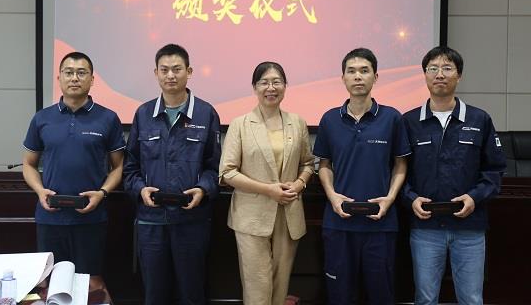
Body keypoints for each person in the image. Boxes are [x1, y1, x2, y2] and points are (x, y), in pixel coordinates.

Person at [402, 46, 506, 305]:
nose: (440, 74)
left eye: (447, 68)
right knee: (425, 298)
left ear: (459, 75)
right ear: (425, 75)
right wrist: (411, 198)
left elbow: (494, 170)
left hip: (469, 228)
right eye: (433, 69)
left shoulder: (479, 119)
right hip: (425, 228)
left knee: (471, 298)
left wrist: (474, 197)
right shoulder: (409, 122)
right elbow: (397, 172)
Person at [123, 43, 221, 305]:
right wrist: (140, 189)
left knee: (192, 293)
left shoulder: (206, 113)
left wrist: (203, 189)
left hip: (192, 221)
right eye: (164, 70)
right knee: (155, 294)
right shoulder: (144, 114)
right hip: (151, 222)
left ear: (189, 71)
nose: (170, 75)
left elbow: (215, 167)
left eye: (177, 69)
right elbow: (130, 167)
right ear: (155, 73)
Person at [313, 48, 410, 305]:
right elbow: (324, 164)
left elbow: (400, 164)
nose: (358, 76)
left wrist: (389, 199)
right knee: (340, 296)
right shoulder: (330, 119)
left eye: (364, 71)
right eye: (352, 71)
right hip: (339, 223)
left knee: (381, 295)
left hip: (380, 224)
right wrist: (332, 196)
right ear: (343, 78)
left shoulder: (392, 118)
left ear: (375, 77)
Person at [219, 62, 315, 305]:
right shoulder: (240, 124)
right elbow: (227, 173)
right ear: (255, 87)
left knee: (280, 287)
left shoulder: (297, 122)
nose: (271, 88)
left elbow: (307, 163)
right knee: (257, 286)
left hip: (288, 214)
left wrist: (299, 184)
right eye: (264, 82)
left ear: (285, 86)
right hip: (252, 216)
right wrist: (268, 190)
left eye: (276, 82)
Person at [22, 51, 125, 275]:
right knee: (50, 284)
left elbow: (118, 167)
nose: (74, 78)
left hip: (91, 219)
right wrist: (40, 191)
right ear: (59, 78)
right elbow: (28, 164)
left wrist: (102, 193)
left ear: (92, 79)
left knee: (88, 282)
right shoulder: (42, 118)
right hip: (50, 218)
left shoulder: (108, 118)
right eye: (68, 73)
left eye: (81, 73)